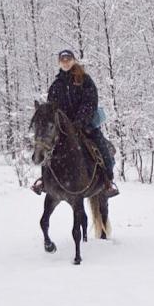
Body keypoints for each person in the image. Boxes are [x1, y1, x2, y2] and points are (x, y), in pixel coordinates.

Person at [32, 49, 119, 197]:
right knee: (47, 148)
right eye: (62, 60)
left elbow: (90, 103)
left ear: (73, 61)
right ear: (59, 63)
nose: (65, 62)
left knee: (101, 147)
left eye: (68, 59)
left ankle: (107, 181)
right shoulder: (55, 85)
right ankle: (44, 181)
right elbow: (52, 109)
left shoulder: (85, 80)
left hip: (85, 125)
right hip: (63, 129)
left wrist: (79, 122)